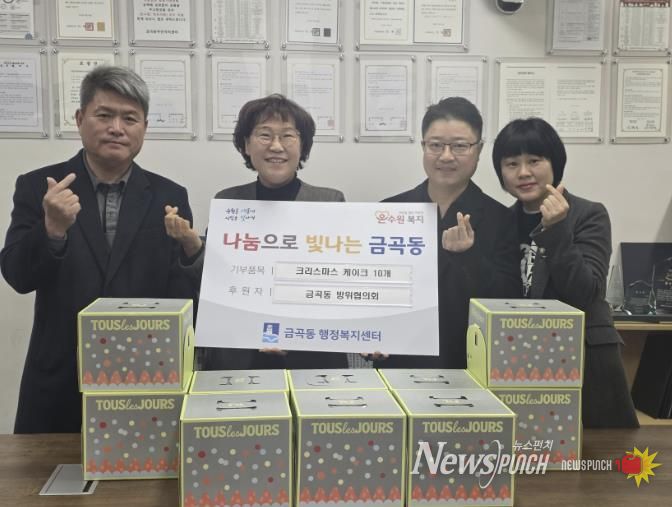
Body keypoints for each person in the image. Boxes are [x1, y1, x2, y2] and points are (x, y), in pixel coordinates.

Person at [1, 66, 197, 433]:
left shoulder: (169, 196)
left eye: (129, 118)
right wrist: (52, 229)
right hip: (60, 377)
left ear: (144, 127)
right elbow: (17, 276)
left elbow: (182, 294)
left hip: (146, 376)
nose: (116, 128)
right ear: (80, 119)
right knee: (45, 469)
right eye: (104, 115)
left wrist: (192, 250)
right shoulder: (40, 187)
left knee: (141, 470)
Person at [165, 94, 349, 370]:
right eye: (264, 135)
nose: (276, 146)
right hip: (241, 353)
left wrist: (290, 329)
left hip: (311, 354)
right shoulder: (229, 202)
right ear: (246, 145)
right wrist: (192, 245)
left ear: (303, 146)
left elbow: (339, 283)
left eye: (287, 135)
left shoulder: (329, 202)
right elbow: (215, 285)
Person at [492, 117, 639, 428]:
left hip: (585, 358)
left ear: (554, 163)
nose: (523, 172)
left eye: (534, 160)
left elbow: (587, 292)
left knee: (604, 452)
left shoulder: (588, 214)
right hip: (519, 357)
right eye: (512, 164)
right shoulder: (499, 222)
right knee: (531, 451)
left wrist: (555, 230)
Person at [373, 97, 522, 369]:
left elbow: (508, 300)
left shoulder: (502, 219)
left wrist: (469, 257)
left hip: (469, 365)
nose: (446, 156)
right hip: (399, 364)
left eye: (459, 146)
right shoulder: (388, 212)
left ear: (479, 149)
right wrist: (369, 334)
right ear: (423, 147)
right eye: (436, 145)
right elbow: (372, 289)